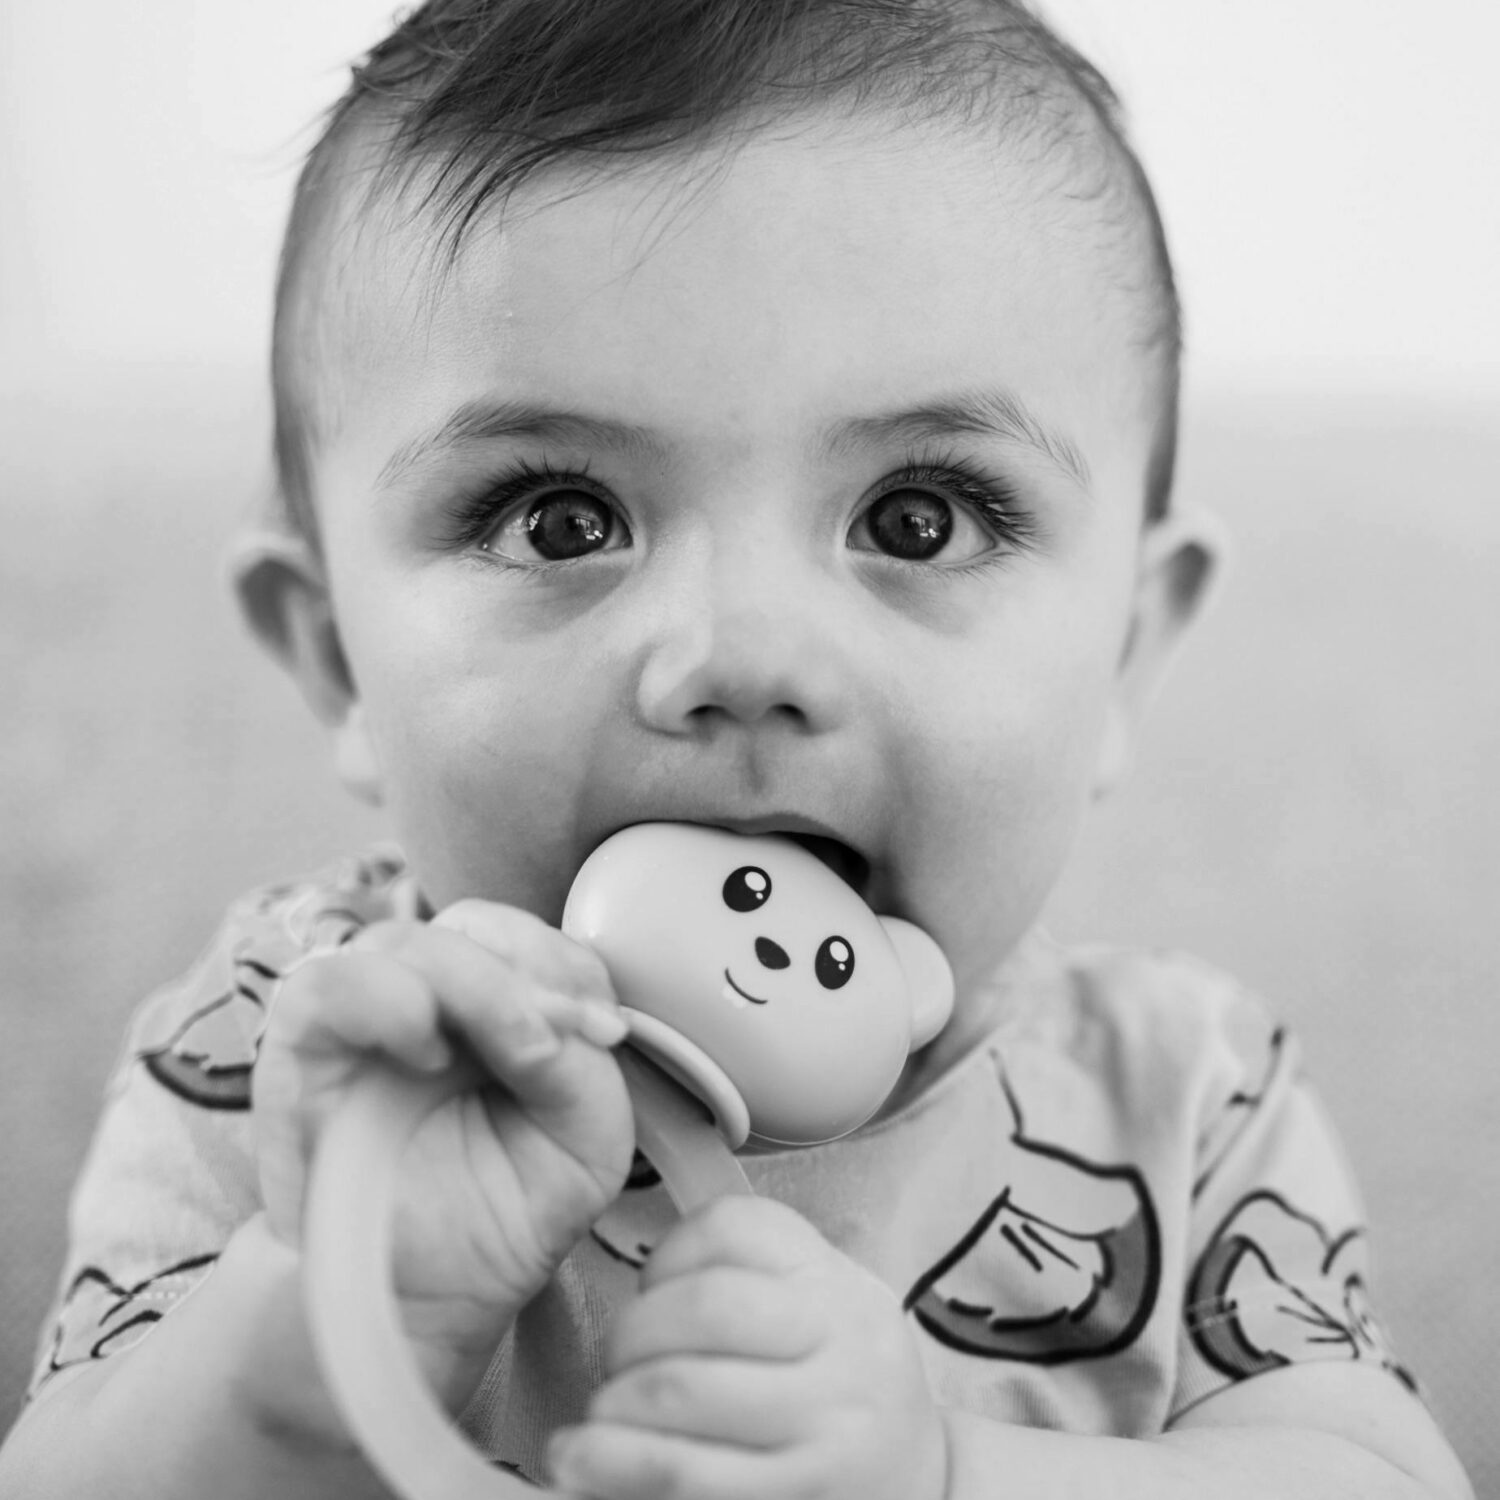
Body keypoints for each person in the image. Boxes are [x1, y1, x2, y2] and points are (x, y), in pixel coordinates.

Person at [0, 1, 1474, 1496]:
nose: (741, 655)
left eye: (922, 518)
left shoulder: (1183, 1094)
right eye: (560, 518)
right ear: (336, 659)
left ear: (1127, 654)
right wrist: (322, 1328)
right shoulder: (298, 1050)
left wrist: (942, 1474)